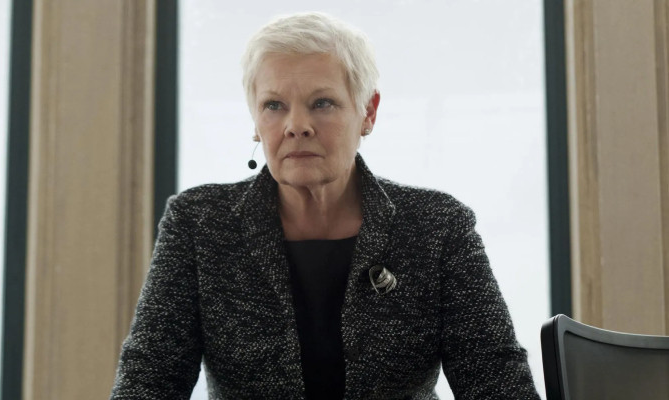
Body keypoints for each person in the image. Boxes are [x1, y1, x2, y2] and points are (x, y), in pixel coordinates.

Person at [110, 12, 540, 400]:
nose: (297, 126)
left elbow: (498, 383)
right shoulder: (199, 223)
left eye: (322, 103)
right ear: (255, 119)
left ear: (368, 112)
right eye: (274, 105)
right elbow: (148, 381)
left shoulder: (438, 226)